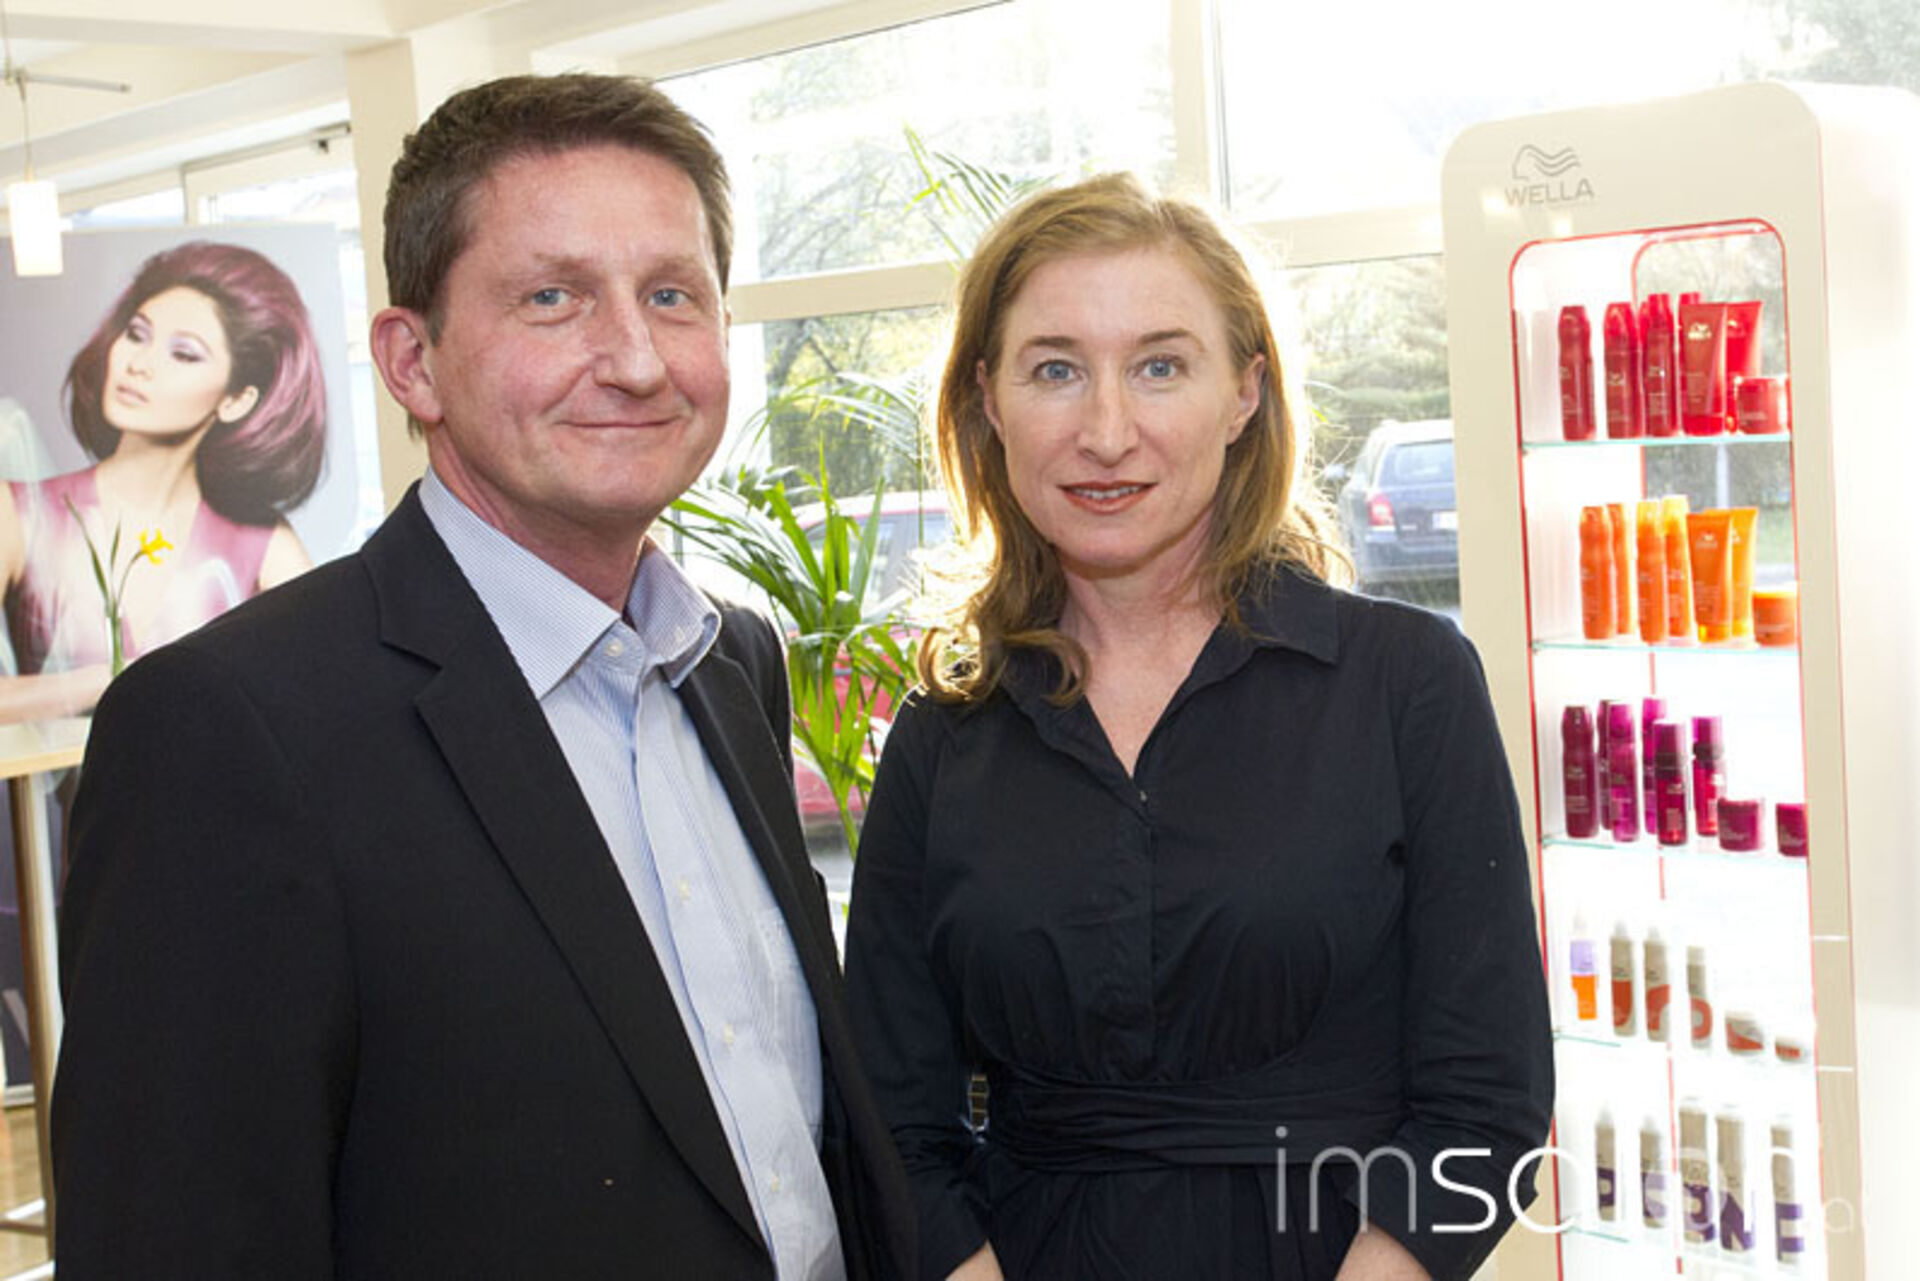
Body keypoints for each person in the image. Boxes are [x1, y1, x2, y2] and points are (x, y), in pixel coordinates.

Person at [54, 73, 914, 1280]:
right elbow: (179, 1238)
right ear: (413, 363)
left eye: (672, 295)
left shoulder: (733, 662)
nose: (634, 359)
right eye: (553, 298)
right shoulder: (229, 731)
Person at [844, 173, 1553, 1281]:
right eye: (1055, 369)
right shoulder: (943, 737)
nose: (1106, 431)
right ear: (988, 399)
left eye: (1161, 367)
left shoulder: (1407, 685)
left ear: (1245, 394)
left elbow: (1488, 1103)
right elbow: (890, 1119)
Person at [0, 240, 324, 721]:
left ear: (235, 399)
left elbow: (327, 694)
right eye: (136, 335)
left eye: (183, 354)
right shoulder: (22, 514)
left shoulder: (263, 545)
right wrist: (101, 683)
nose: (139, 364)